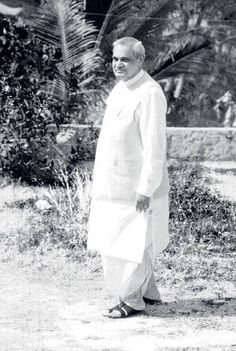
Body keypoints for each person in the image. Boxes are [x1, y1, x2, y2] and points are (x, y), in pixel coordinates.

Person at [88, 37, 169, 318]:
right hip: (113, 183)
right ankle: (148, 291)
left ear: (140, 61)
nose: (118, 65)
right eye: (114, 59)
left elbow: (154, 146)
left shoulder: (149, 93)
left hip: (137, 187)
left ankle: (132, 299)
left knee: (133, 242)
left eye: (125, 59)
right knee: (116, 240)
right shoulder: (121, 89)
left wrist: (146, 188)